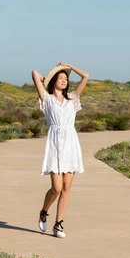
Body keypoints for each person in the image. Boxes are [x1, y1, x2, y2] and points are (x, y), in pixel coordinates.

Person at [31, 62, 89, 238]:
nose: (64, 80)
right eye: (61, 78)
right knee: (56, 188)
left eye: (66, 78)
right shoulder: (46, 99)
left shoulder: (72, 99)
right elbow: (34, 73)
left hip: (71, 144)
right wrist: (47, 80)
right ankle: (44, 211)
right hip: (55, 145)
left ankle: (58, 225)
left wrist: (69, 66)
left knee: (67, 187)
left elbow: (85, 76)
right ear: (53, 81)